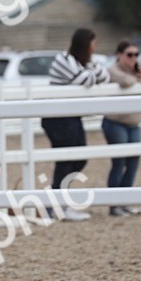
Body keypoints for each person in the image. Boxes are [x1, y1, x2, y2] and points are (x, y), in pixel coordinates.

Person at [41, 28, 109, 221]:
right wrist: (91, 71)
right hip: (57, 117)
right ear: (85, 44)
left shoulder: (81, 62)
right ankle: (56, 206)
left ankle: (59, 203)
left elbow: (103, 76)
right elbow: (84, 80)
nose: (95, 47)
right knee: (66, 160)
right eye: (93, 43)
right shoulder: (63, 59)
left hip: (71, 115)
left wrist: (90, 70)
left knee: (79, 158)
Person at [102, 40, 141, 216]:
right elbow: (125, 81)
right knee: (119, 162)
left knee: (133, 163)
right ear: (119, 55)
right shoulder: (112, 69)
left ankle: (125, 200)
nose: (133, 58)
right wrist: (137, 76)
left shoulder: (136, 70)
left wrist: (138, 76)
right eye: (129, 55)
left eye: (136, 55)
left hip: (133, 123)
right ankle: (114, 203)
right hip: (116, 122)